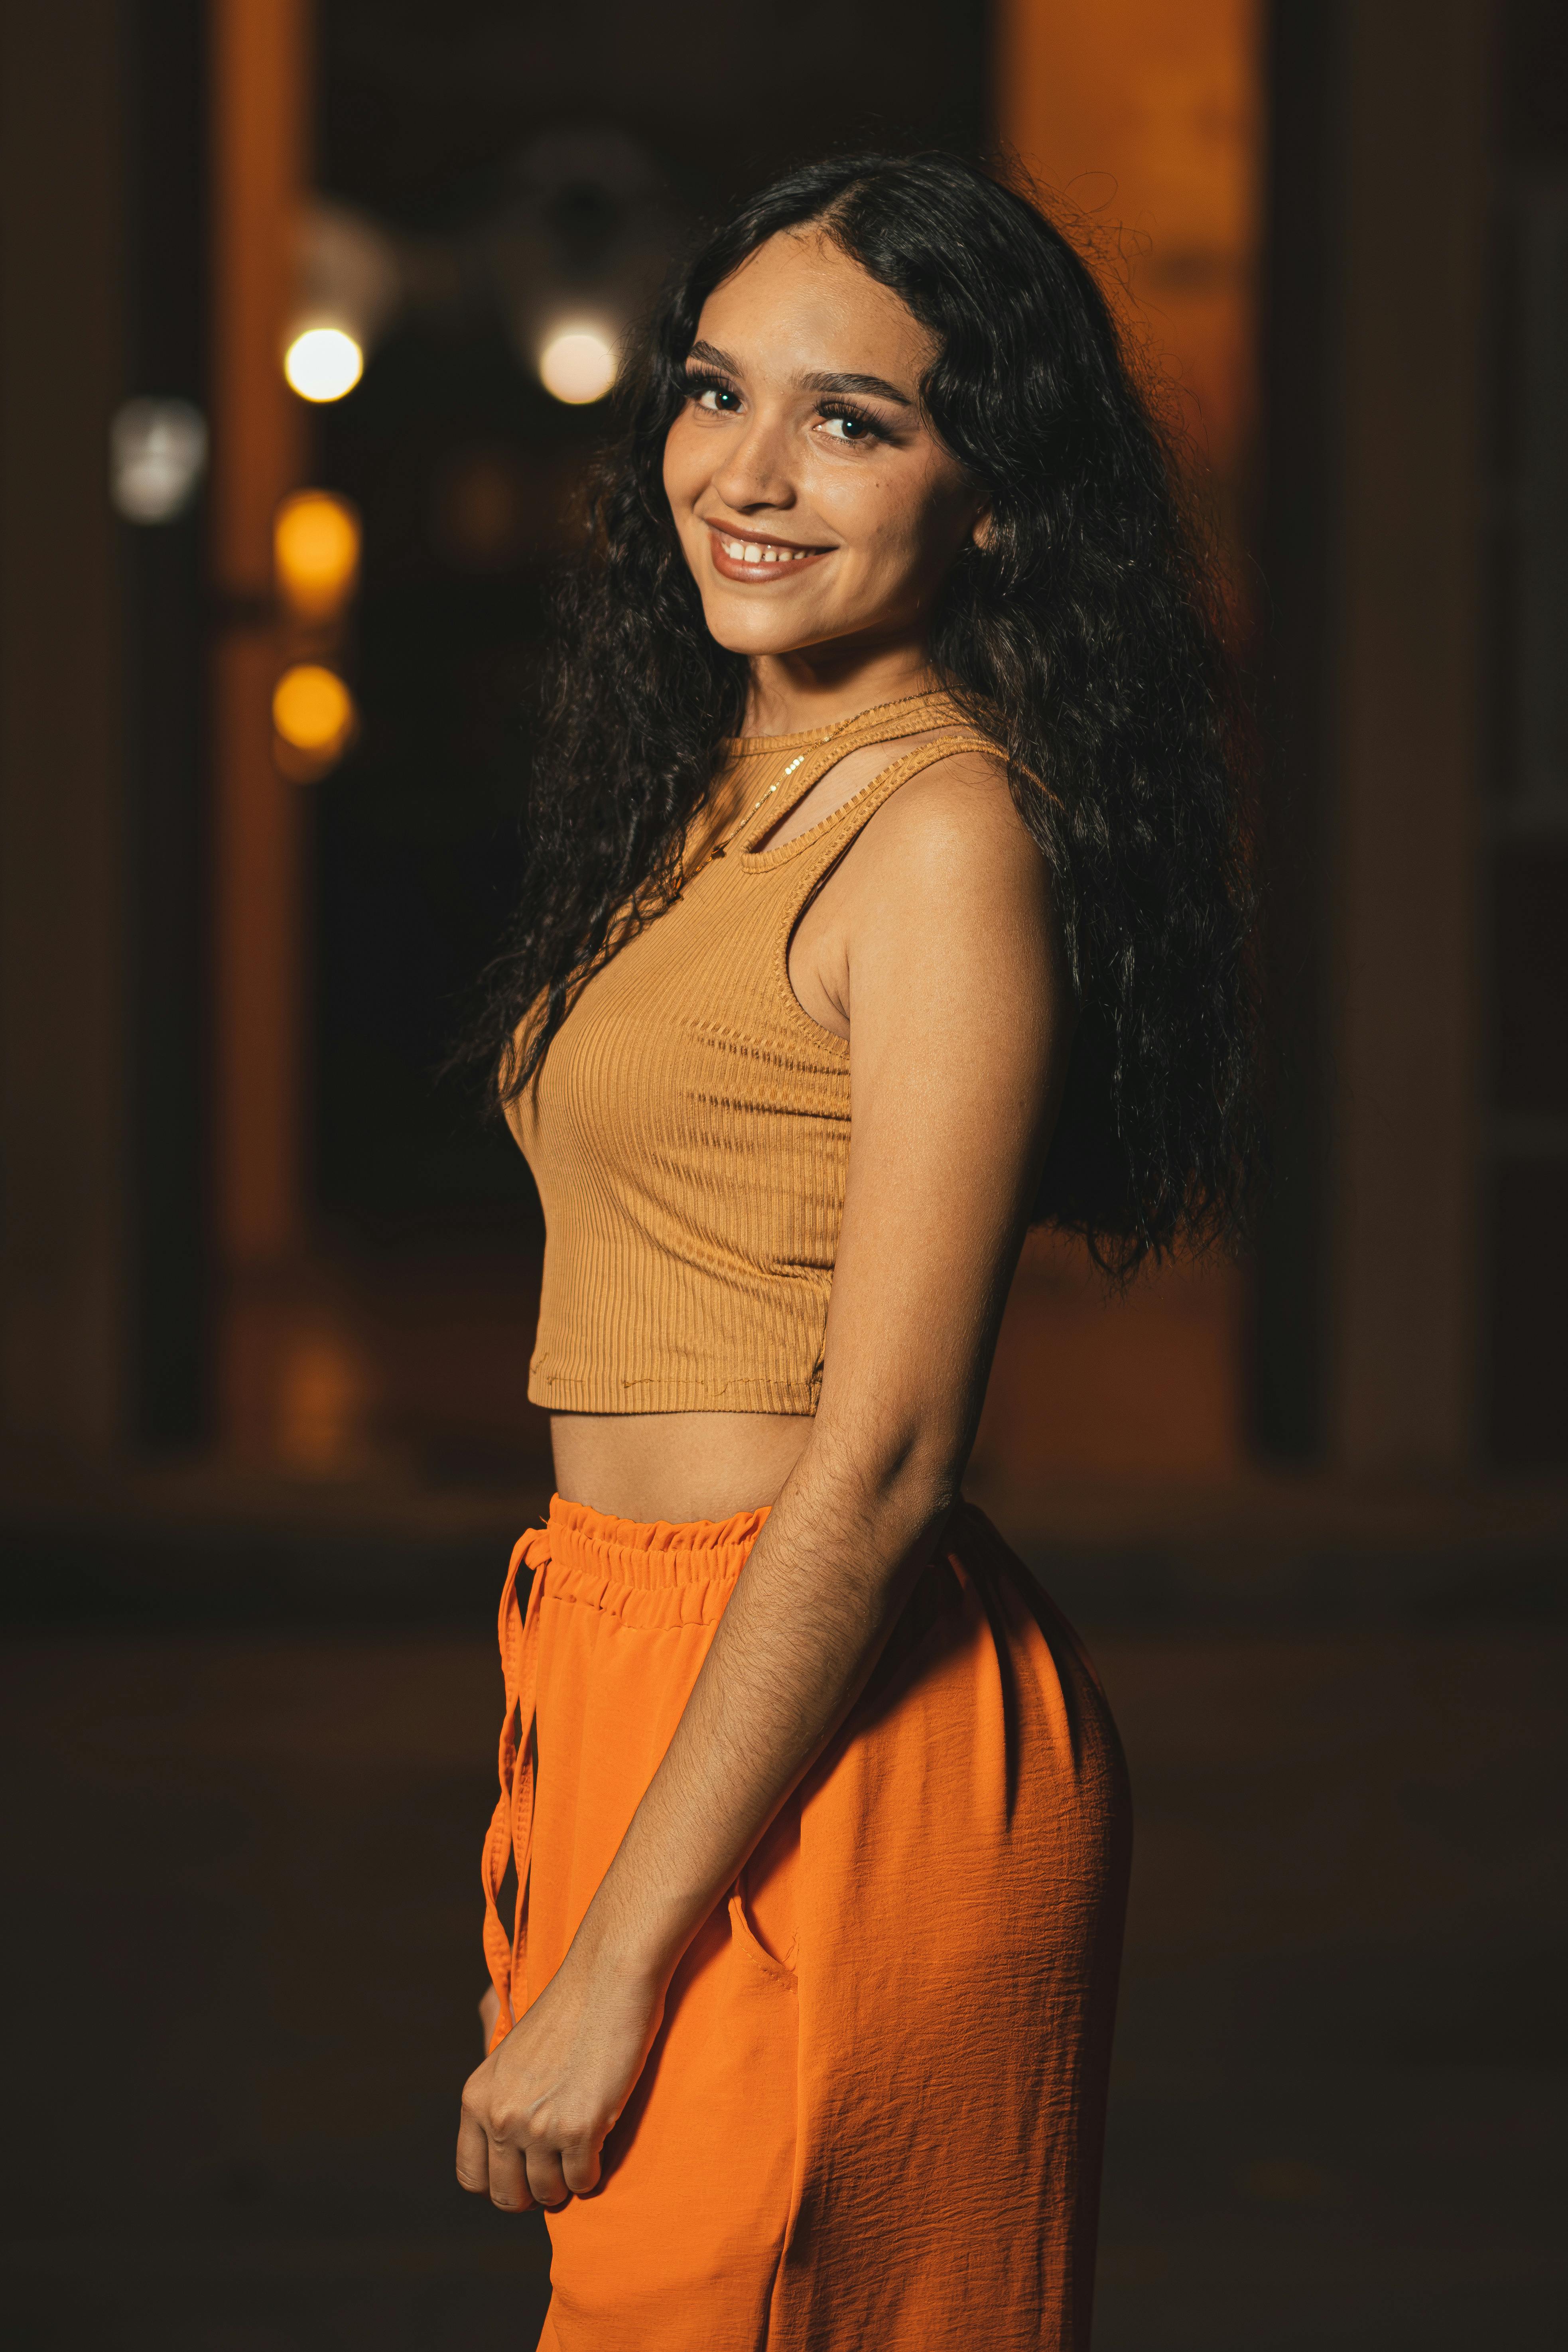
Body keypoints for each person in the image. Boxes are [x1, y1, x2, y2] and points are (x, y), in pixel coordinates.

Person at [453, 151, 1259, 2351]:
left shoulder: (945, 839)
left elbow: (892, 1455)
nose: (754, 471)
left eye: (857, 420)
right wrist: (581, 1834)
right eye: (719, 394)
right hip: (639, 1674)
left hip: (834, 1710)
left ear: (991, 497)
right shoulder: (715, 787)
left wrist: (621, 1958)